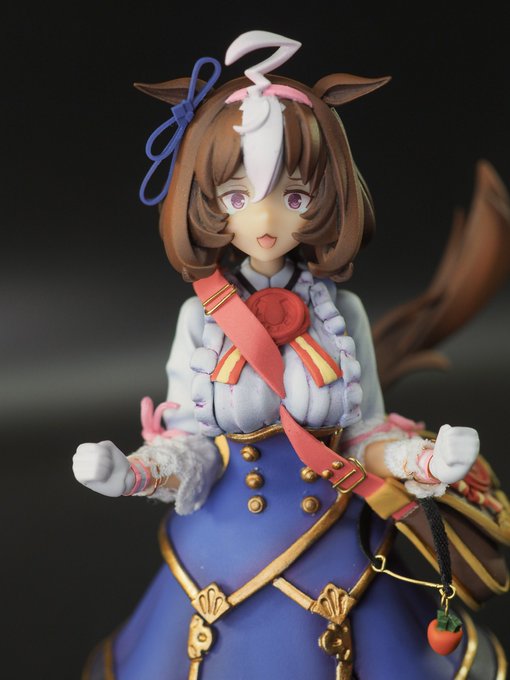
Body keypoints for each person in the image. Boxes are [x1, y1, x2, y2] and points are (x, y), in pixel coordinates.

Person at [73, 31, 507, 679]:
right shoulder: (201, 321)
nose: (266, 219)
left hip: (335, 526)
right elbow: (190, 443)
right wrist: (133, 473)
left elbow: (364, 435)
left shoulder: (341, 313)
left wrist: (425, 461)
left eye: (294, 196)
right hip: (223, 538)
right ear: (208, 201)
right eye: (238, 197)